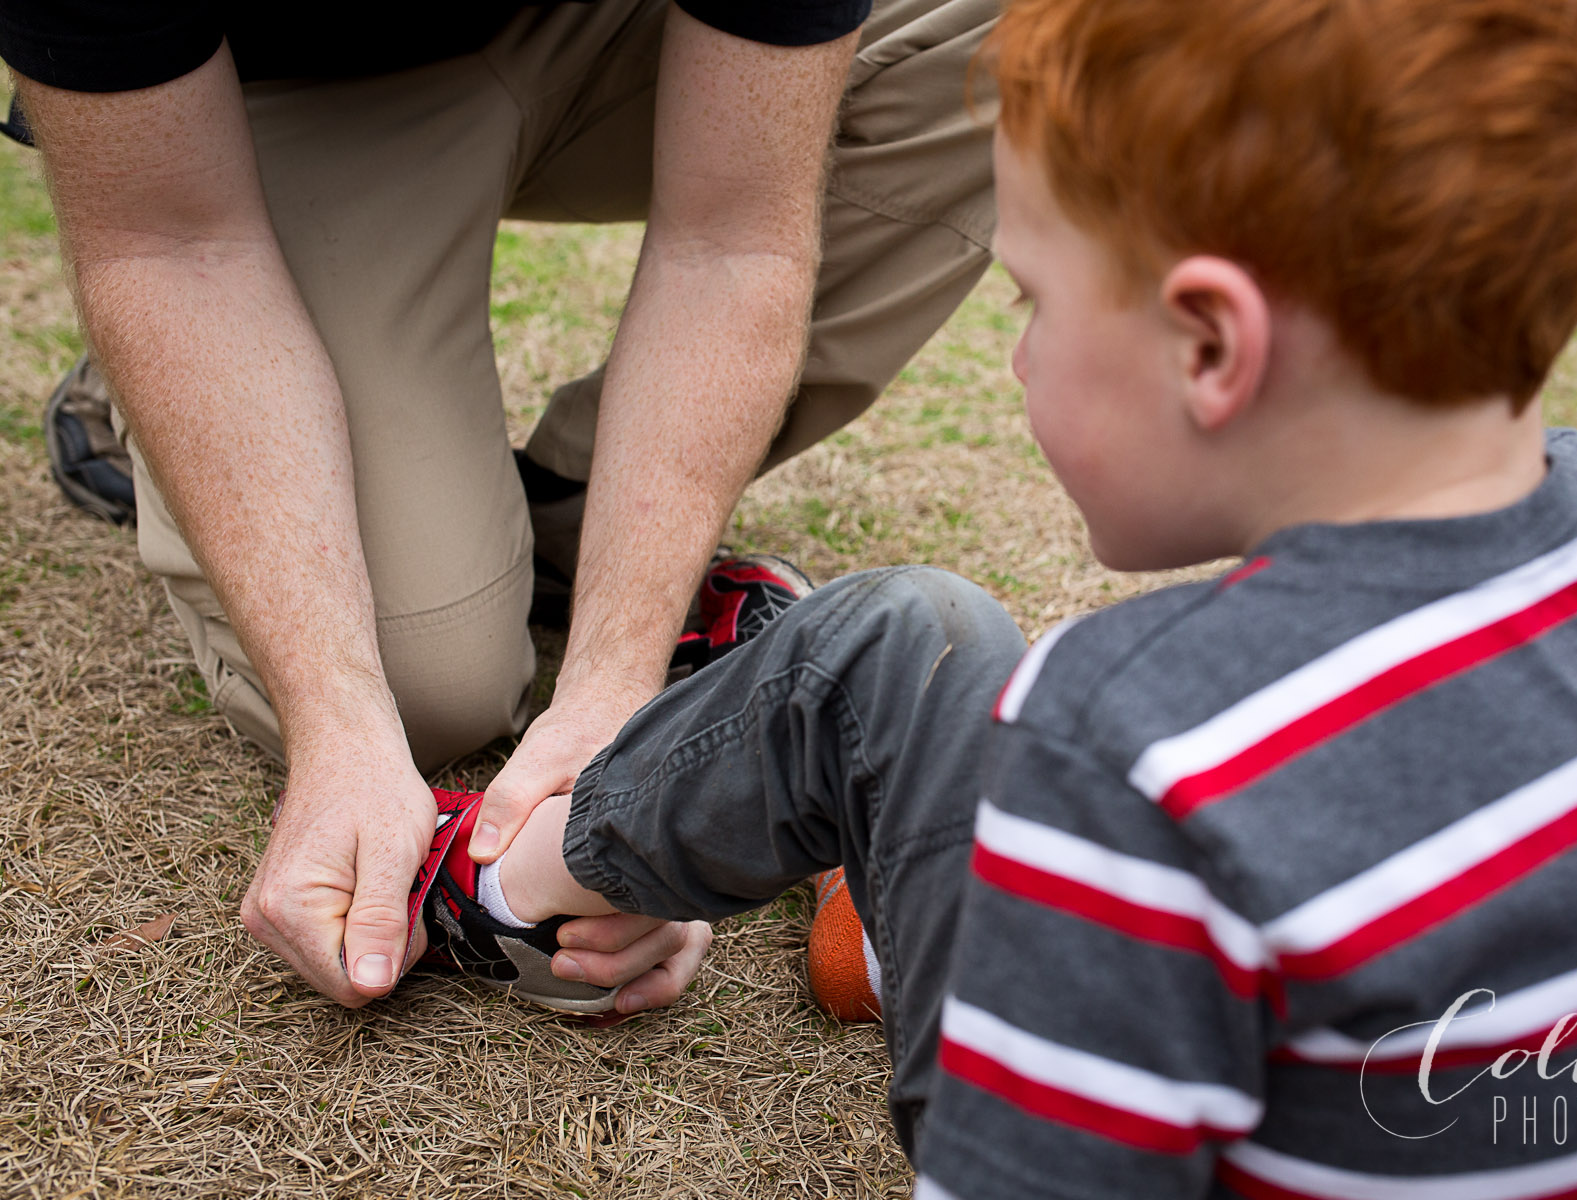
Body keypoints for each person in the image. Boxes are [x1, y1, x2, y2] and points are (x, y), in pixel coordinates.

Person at [390, 0, 1577, 1193]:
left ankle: (510, 894)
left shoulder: (1128, 753)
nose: (1019, 357)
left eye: (1034, 302)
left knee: (878, 648)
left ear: (1211, 347)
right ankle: (857, 912)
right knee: (910, 645)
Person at [1, 0, 998, 1013]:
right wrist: (338, 723)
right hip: (276, 98)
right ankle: (180, 384)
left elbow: (732, 240)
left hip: (612, 31)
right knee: (428, 686)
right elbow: (165, 245)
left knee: (1039, 45)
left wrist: (616, 692)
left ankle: (568, 519)